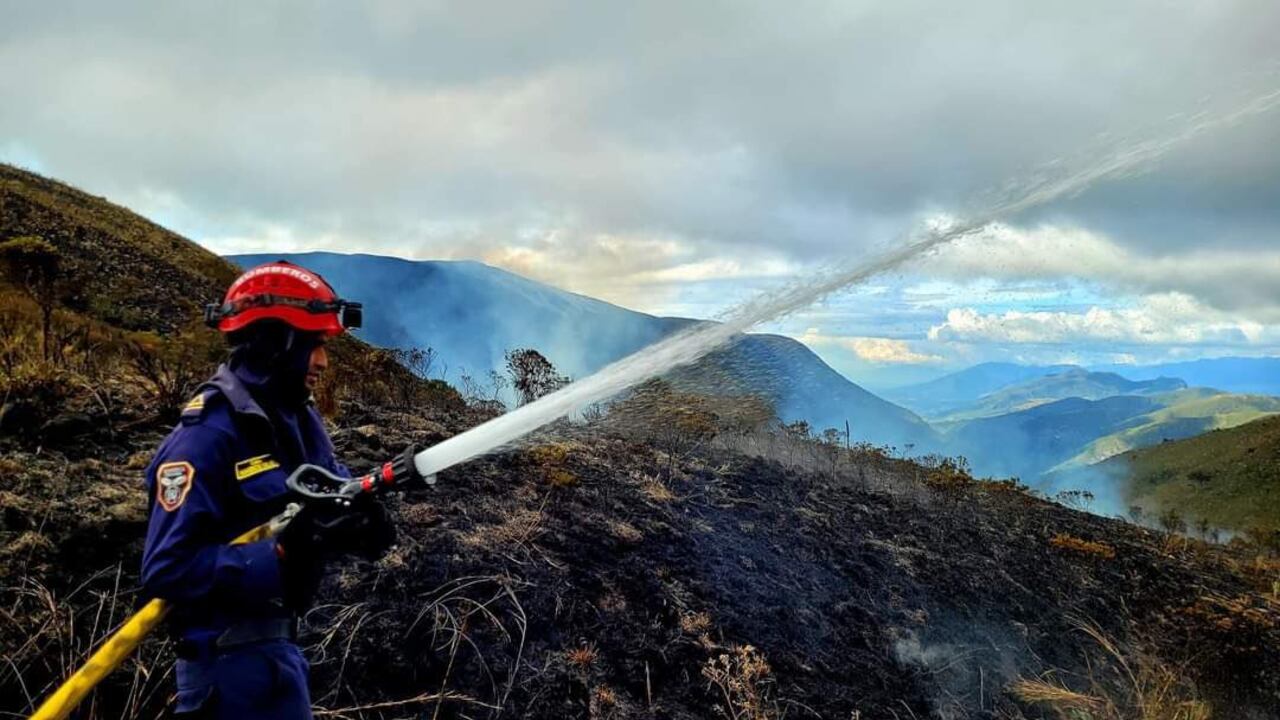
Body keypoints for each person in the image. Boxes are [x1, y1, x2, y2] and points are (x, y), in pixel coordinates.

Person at [141, 261, 395, 719]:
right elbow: (167, 569)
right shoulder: (206, 438)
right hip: (225, 675)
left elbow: (330, 491)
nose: (322, 362)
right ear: (273, 344)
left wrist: (362, 521)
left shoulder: (296, 420)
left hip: (282, 657)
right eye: (314, 346)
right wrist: (277, 557)